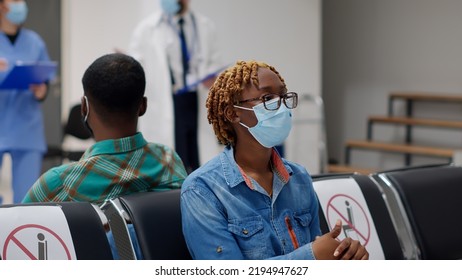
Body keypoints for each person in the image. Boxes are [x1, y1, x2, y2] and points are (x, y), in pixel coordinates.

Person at [180, 60, 369, 260]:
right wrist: (311, 256)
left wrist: (343, 255)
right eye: (267, 97)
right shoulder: (202, 189)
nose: (281, 106)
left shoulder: (299, 178)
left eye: (283, 95)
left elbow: (320, 252)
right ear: (233, 113)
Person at [22, 53, 187, 204]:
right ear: (142, 106)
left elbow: (16, 228)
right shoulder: (168, 161)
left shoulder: (59, 183)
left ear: (84, 108)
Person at [128, 0, 222, 173]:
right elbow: (136, 68)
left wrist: (213, 77)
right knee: (174, 162)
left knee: (199, 159)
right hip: (166, 103)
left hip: (196, 99)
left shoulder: (205, 26)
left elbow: (213, 62)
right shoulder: (146, 29)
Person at [0, 0, 52, 203]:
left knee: (27, 198)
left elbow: (44, 80)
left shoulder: (35, 42)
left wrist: (42, 90)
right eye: (14, 0)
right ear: (2, 5)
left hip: (26, 127)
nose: (20, 5)